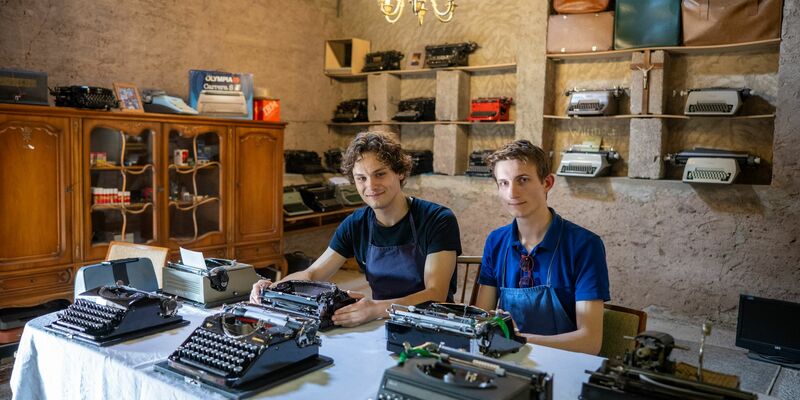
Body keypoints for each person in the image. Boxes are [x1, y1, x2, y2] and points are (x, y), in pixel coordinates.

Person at [250, 132, 462, 327]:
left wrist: (376, 308)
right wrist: (273, 287)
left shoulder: (437, 219)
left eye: (380, 174)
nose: (371, 186)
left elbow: (435, 293)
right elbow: (313, 273)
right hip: (382, 323)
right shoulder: (356, 224)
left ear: (400, 172)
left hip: (433, 325)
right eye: (361, 178)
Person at [474, 140, 610, 355]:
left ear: (547, 183)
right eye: (504, 183)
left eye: (523, 180)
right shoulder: (496, 241)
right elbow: (481, 321)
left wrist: (516, 340)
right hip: (505, 359)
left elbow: (590, 342)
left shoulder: (585, 246)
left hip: (562, 364)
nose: (512, 193)